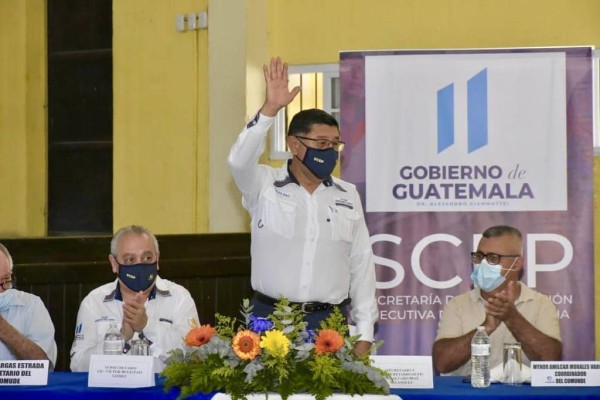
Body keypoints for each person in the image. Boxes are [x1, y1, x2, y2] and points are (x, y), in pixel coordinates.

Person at [228, 57, 378, 355]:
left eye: (335, 144)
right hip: (269, 319)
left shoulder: (347, 194)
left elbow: (361, 263)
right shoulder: (264, 185)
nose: (330, 151)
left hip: (329, 323)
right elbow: (238, 161)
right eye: (321, 143)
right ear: (295, 145)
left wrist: (365, 333)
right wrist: (270, 110)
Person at [432, 225, 562, 375]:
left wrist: (512, 318)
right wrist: (485, 328)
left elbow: (550, 360)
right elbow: (442, 364)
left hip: (520, 390)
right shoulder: (457, 305)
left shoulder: (540, 304)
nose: (482, 264)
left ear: (517, 264)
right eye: (479, 256)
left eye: (493, 258)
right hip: (470, 389)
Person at [70, 225, 199, 372]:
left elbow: (194, 357)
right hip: (113, 387)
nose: (140, 265)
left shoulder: (179, 298)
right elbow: (77, 366)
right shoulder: (93, 303)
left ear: (157, 260)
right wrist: (120, 338)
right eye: (130, 260)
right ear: (114, 263)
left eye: (147, 258)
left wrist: (147, 326)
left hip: (163, 387)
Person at [0, 243, 57, 367]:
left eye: (6, 279)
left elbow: (44, 366)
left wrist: (4, 329)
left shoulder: (31, 305)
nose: (2, 290)